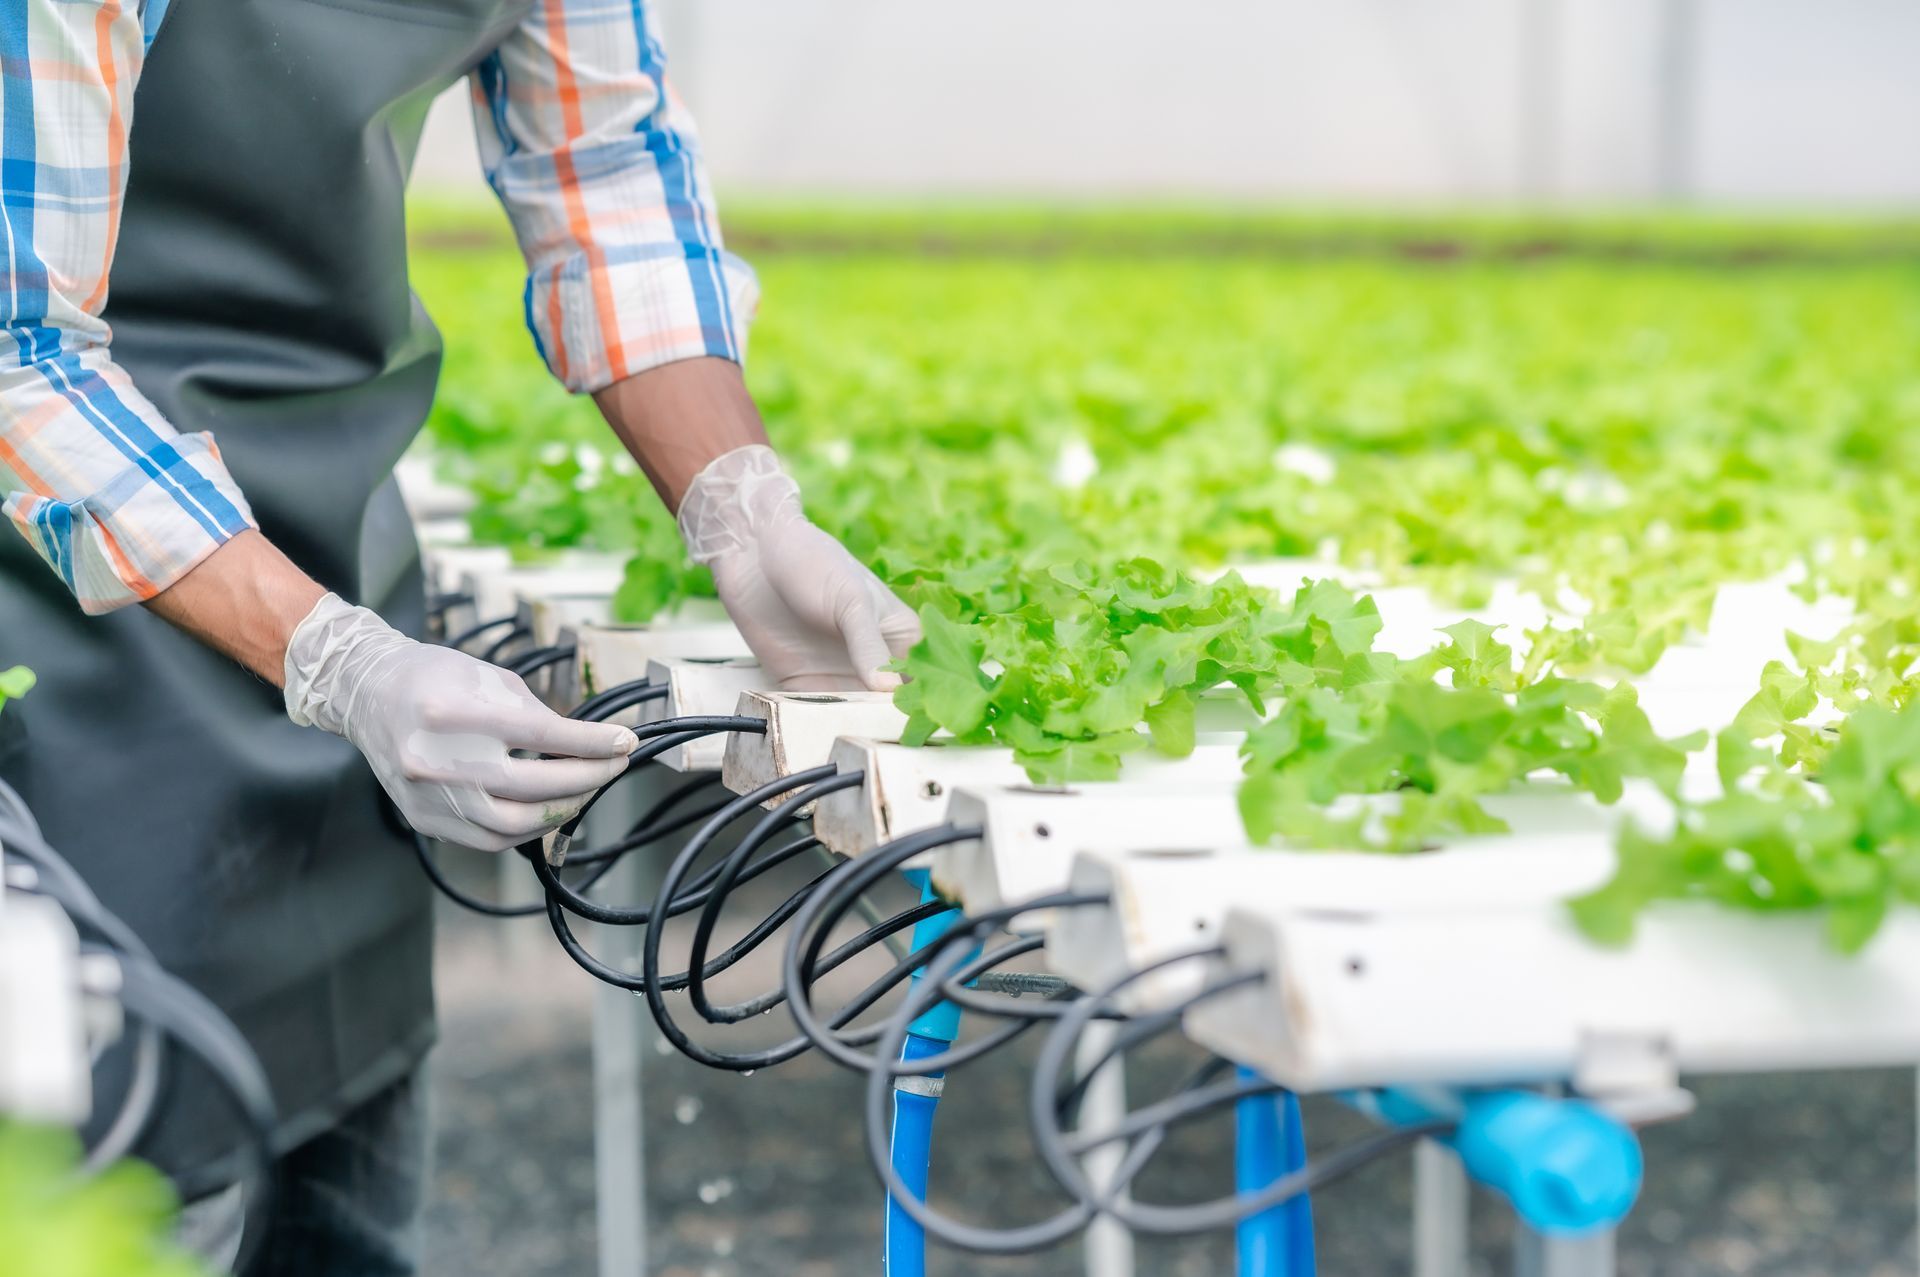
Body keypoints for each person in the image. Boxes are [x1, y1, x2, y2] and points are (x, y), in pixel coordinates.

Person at [0, 0, 917, 1271]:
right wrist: (337, 659)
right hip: (64, 598)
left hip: (329, 519)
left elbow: (607, 169)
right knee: (142, 1160)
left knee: (344, 1157)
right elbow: (19, 350)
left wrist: (740, 505)